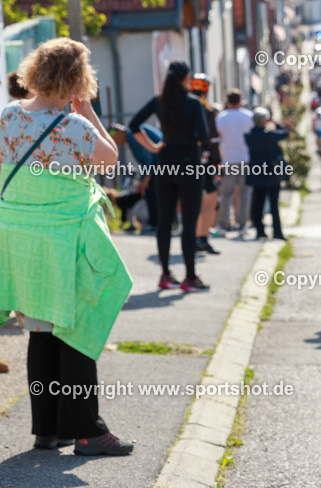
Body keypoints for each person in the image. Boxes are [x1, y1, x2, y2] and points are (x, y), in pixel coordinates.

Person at [0, 38, 133, 455]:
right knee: (75, 329)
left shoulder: (6, 117)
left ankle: (47, 429)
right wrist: (87, 108)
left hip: (21, 240)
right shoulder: (73, 126)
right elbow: (109, 160)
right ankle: (87, 432)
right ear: (77, 80)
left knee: (39, 331)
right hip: (65, 240)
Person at [129, 61, 210, 292]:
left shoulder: (158, 101)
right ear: (185, 79)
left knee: (165, 221)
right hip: (189, 165)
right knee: (189, 221)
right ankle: (190, 276)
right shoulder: (194, 104)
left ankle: (165, 273)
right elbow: (202, 136)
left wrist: (154, 146)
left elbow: (134, 125)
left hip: (164, 164)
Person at [245, 107, 289, 240]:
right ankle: (277, 232)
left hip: (256, 172)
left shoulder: (249, 136)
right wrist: (274, 121)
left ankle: (260, 231)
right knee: (274, 204)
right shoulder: (270, 135)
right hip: (271, 172)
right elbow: (285, 133)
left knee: (258, 203)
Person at [215, 90, 254, 234]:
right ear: (240, 101)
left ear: (228, 102)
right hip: (245, 158)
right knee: (245, 193)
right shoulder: (249, 116)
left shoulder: (221, 118)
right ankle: (242, 225)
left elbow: (217, 137)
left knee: (226, 194)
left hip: (228, 159)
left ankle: (225, 225)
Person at [190, 74, 221, 254]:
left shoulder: (182, 106)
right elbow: (213, 140)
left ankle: (195, 238)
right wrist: (217, 163)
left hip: (184, 161)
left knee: (194, 201)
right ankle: (202, 237)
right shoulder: (207, 110)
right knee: (209, 199)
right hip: (204, 161)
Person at [111, 123, 160, 231]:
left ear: (119, 133)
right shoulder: (131, 135)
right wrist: (143, 179)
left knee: (151, 190)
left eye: (114, 139)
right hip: (160, 163)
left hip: (162, 163)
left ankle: (155, 223)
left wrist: (146, 179)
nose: (116, 143)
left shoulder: (133, 135)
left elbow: (149, 158)